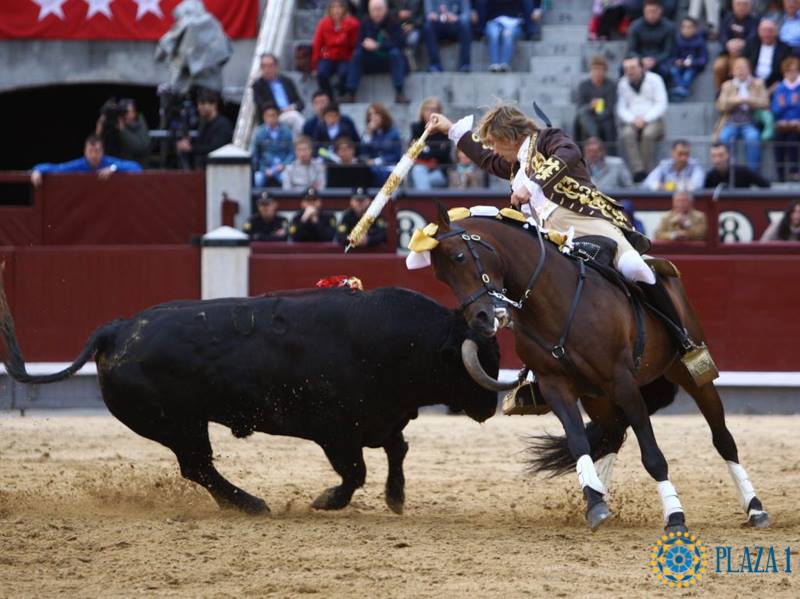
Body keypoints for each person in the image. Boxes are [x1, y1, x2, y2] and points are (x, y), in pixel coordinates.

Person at [427, 105, 695, 340]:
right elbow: (485, 158)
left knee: (634, 266)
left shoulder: (547, 139)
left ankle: (682, 341)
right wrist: (451, 129)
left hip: (584, 221)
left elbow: (568, 152)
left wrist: (532, 185)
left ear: (508, 136)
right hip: (547, 238)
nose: (494, 150)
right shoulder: (515, 165)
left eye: (495, 142)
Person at [342, 0, 410, 104]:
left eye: (379, 9)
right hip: (370, 61)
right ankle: (350, 93)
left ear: (386, 9)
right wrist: (365, 44)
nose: (377, 12)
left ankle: (399, 92)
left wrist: (379, 46)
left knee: (395, 53)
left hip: (388, 60)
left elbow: (401, 43)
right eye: (374, 10)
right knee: (357, 55)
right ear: (369, 11)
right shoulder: (365, 23)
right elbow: (358, 43)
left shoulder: (394, 21)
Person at [616, 55, 668, 182]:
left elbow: (661, 103)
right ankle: (638, 170)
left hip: (654, 119)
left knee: (648, 134)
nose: (629, 71)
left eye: (632, 67)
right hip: (633, 121)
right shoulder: (622, 83)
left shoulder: (655, 79)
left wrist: (646, 119)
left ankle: (647, 171)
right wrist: (633, 120)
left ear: (641, 67)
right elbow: (621, 107)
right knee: (626, 133)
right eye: (626, 68)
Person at [715, 57, 768, 172]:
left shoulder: (758, 83)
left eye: (743, 68)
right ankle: (728, 172)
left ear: (749, 70)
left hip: (750, 122)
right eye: (738, 68)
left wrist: (749, 100)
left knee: (753, 138)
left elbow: (765, 103)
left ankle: (753, 173)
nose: (741, 71)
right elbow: (720, 105)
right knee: (723, 138)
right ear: (733, 71)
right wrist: (735, 101)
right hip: (730, 122)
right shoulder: (727, 85)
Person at [30, 135, 142, 186]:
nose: (94, 155)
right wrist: (37, 170)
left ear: (102, 151)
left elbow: (136, 167)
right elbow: (57, 168)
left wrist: (113, 168)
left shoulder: (109, 162)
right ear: (85, 151)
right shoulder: (79, 164)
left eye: (97, 151)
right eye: (90, 151)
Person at [312, 0, 361, 99]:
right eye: (333, 7)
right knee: (321, 73)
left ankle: (342, 93)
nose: (336, 10)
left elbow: (354, 44)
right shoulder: (323, 23)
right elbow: (317, 45)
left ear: (345, 9)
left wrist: (346, 31)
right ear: (329, 10)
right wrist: (314, 66)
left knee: (344, 73)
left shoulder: (353, 24)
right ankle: (328, 97)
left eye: (339, 7)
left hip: (345, 56)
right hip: (328, 56)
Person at [251, 53, 306, 136]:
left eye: (270, 66)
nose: (267, 69)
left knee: (297, 118)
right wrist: (281, 110)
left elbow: (300, 102)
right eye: (263, 66)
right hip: (273, 116)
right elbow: (262, 105)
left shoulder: (287, 81)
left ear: (276, 66)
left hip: (290, 112)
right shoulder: (258, 85)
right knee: (295, 117)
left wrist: (291, 107)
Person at [176, 90, 232, 170]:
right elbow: (203, 143)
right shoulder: (205, 124)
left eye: (203, 103)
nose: (199, 107)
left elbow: (216, 148)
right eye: (199, 104)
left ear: (213, 105)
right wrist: (189, 143)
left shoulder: (222, 124)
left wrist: (191, 148)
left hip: (218, 169)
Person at [712, 0, 758, 91]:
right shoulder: (727, 18)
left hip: (745, 54)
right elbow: (722, 35)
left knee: (738, 67)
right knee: (718, 67)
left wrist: (743, 43)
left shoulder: (755, 20)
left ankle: (736, 92)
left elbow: (754, 36)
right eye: (738, 4)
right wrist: (728, 43)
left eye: (745, 4)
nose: (741, 7)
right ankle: (720, 92)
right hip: (726, 53)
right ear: (733, 5)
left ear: (750, 6)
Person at [626, 0, 676, 82]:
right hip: (640, 58)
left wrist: (655, 60)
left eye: (654, 11)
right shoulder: (635, 26)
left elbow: (668, 51)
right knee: (625, 68)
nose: (651, 15)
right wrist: (641, 60)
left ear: (660, 11)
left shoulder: (669, 27)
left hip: (660, 60)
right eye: (648, 11)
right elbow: (631, 50)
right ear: (644, 11)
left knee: (666, 70)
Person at [409, 97, 452, 189]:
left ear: (439, 113)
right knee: (419, 171)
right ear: (422, 111)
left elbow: (444, 153)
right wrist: (434, 152)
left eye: (433, 110)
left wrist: (425, 150)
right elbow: (412, 151)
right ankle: (425, 198)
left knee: (420, 177)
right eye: (427, 109)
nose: (430, 113)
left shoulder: (444, 129)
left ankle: (422, 198)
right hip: (420, 169)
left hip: (439, 172)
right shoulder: (416, 128)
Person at [574, 54, 618, 145]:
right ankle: (594, 138)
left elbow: (610, 108)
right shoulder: (583, 85)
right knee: (581, 117)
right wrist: (591, 106)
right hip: (587, 116)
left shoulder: (611, 85)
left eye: (600, 70)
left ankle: (595, 139)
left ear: (605, 71)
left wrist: (598, 115)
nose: (597, 73)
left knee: (607, 123)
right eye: (595, 69)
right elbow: (580, 108)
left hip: (604, 117)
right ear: (590, 71)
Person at [96, 99, 151, 167]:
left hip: (134, 167)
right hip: (113, 166)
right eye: (123, 112)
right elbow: (97, 146)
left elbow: (140, 148)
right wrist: (100, 125)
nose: (126, 115)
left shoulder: (139, 125)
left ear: (135, 113)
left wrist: (123, 130)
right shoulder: (114, 125)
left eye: (127, 112)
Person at [423, 0, 473, 72]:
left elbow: (466, 14)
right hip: (438, 24)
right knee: (428, 26)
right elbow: (428, 13)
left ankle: (465, 64)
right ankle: (435, 64)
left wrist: (456, 18)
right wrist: (434, 16)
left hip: (454, 25)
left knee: (465, 25)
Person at [251, 104, 294, 187]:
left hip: (282, 167)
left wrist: (284, 165)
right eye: (268, 116)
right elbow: (255, 155)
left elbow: (292, 153)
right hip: (265, 167)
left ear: (278, 116)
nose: (271, 118)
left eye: (273, 115)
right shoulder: (259, 132)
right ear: (264, 117)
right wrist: (263, 169)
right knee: (257, 179)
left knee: (286, 179)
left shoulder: (286, 131)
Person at [771, 56, 800, 181]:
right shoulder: (780, 88)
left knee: (793, 138)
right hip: (782, 124)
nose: (792, 74)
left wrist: (788, 105)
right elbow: (775, 110)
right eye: (789, 71)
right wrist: (787, 105)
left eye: (795, 70)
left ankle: (794, 171)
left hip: (797, 124)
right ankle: (780, 174)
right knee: (778, 139)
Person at [359, 101, 402, 185]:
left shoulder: (393, 133)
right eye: (370, 114)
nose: (373, 117)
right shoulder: (369, 134)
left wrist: (376, 161)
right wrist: (368, 135)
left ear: (383, 116)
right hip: (373, 168)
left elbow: (396, 156)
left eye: (376, 114)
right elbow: (363, 153)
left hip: (389, 167)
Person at [744, 18, 790, 93]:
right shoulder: (751, 44)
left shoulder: (785, 49)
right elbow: (744, 63)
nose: (767, 34)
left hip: (774, 85)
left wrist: (769, 91)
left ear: (777, 32)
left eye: (770, 31)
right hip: (751, 82)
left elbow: (786, 72)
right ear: (758, 31)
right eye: (763, 31)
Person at [669, 17, 708, 101]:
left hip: (693, 66)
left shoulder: (700, 42)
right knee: (673, 70)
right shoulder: (677, 41)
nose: (686, 30)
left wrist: (692, 63)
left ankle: (682, 88)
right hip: (680, 66)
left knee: (688, 73)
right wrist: (677, 61)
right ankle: (682, 88)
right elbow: (672, 56)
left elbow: (703, 60)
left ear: (695, 29)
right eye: (684, 27)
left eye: (689, 27)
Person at [481, 0, 527, 72]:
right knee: (494, 34)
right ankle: (494, 64)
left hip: (513, 23)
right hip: (494, 22)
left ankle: (504, 64)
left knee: (508, 34)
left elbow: (523, 14)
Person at [704, 142, 771, 187]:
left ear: (728, 155)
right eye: (713, 156)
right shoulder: (709, 177)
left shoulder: (743, 172)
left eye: (721, 155)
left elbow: (766, 185)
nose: (717, 160)